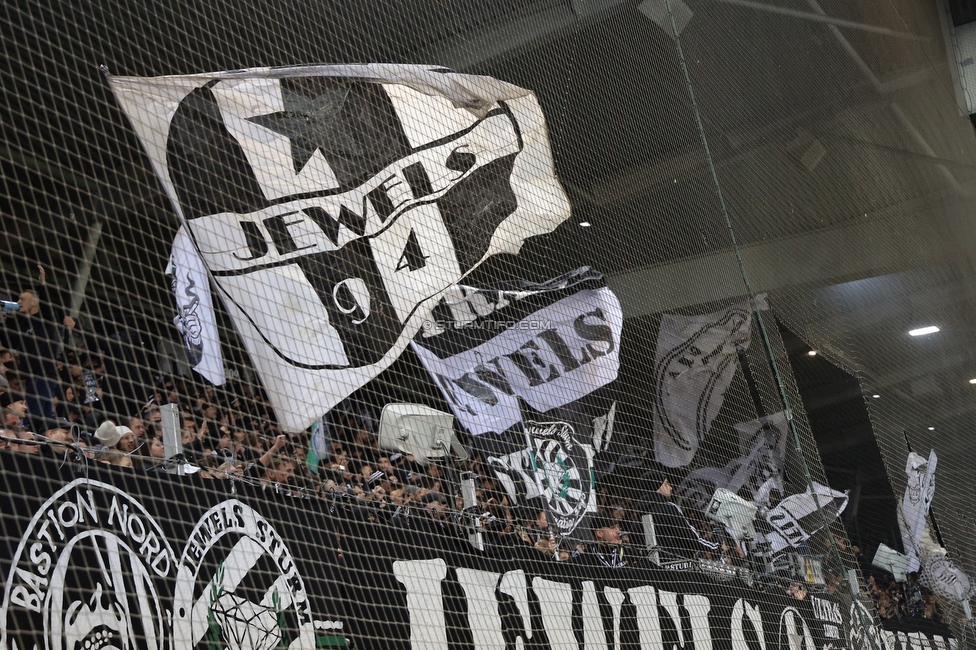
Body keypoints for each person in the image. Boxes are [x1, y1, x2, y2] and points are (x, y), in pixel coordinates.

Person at [640, 471, 720, 560]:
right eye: (666, 484)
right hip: (678, 565)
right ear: (656, 487)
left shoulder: (640, 514)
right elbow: (691, 539)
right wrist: (716, 545)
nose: (670, 487)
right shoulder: (668, 508)